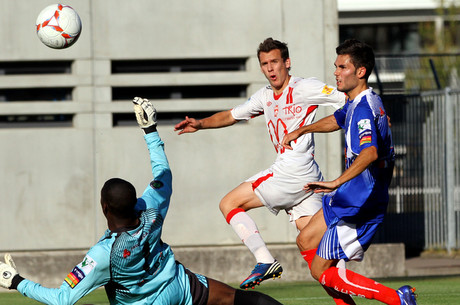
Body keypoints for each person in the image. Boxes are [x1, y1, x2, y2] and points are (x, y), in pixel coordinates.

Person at [0, 97, 284, 305]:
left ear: (104, 208)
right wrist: (150, 131)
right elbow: (164, 173)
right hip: (179, 286)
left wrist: (16, 281)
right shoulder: (150, 207)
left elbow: (62, 299)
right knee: (240, 300)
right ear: (134, 201)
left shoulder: (102, 255)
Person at [174, 37, 346, 289]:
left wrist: (314, 128)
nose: (270, 68)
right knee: (319, 257)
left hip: (293, 169)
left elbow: (346, 101)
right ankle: (375, 290)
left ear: (287, 63)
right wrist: (200, 124)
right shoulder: (264, 97)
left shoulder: (304, 87)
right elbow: (231, 116)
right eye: (265, 63)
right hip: (305, 179)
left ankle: (265, 260)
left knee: (229, 203)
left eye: (275, 62)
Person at [281, 39, 417, 305]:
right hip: (347, 196)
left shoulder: (364, 109)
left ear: (361, 71)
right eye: (336, 66)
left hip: (361, 202)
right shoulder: (359, 102)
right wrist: (302, 129)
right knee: (305, 240)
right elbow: (337, 118)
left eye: (343, 67)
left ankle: (397, 299)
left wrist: (335, 182)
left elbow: (370, 153)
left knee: (320, 270)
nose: (336, 72)